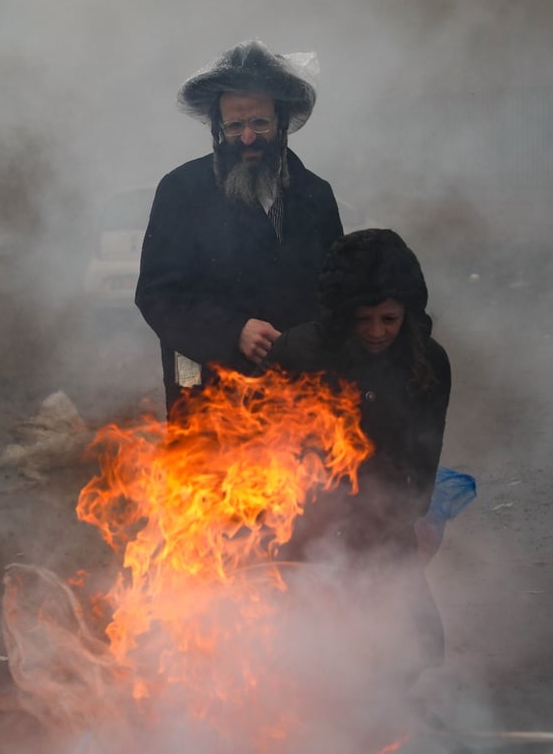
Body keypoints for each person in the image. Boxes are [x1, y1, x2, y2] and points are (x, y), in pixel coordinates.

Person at [264, 228, 451, 670]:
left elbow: (425, 451)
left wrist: (418, 513)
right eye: (363, 319)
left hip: (384, 521)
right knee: (305, 648)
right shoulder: (300, 352)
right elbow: (266, 444)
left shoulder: (428, 363)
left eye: (389, 319)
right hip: (307, 522)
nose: (376, 332)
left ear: (408, 311)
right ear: (342, 313)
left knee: (415, 647)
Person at [135, 41, 343, 415]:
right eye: (235, 125)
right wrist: (233, 331)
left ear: (281, 122)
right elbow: (157, 297)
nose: (247, 137)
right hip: (206, 395)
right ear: (218, 127)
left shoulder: (316, 195)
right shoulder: (181, 191)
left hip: (294, 396)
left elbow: (335, 295)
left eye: (260, 122)